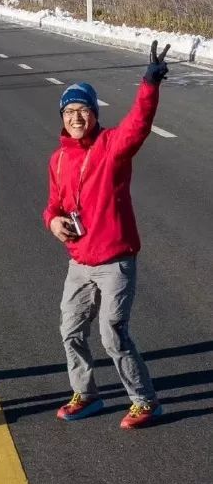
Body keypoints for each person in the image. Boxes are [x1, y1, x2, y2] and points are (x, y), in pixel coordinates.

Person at [43, 40, 170, 429]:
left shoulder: (112, 146)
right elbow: (54, 205)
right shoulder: (59, 158)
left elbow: (138, 124)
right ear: (62, 117)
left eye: (83, 109)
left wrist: (149, 84)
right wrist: (53, 222)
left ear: (94, 114)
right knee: (70, 330)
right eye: (69, 111)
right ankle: (87, 394)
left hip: (115, 259)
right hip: (79, 261)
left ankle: (144, 401)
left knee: (112, 334)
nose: (76, 117)